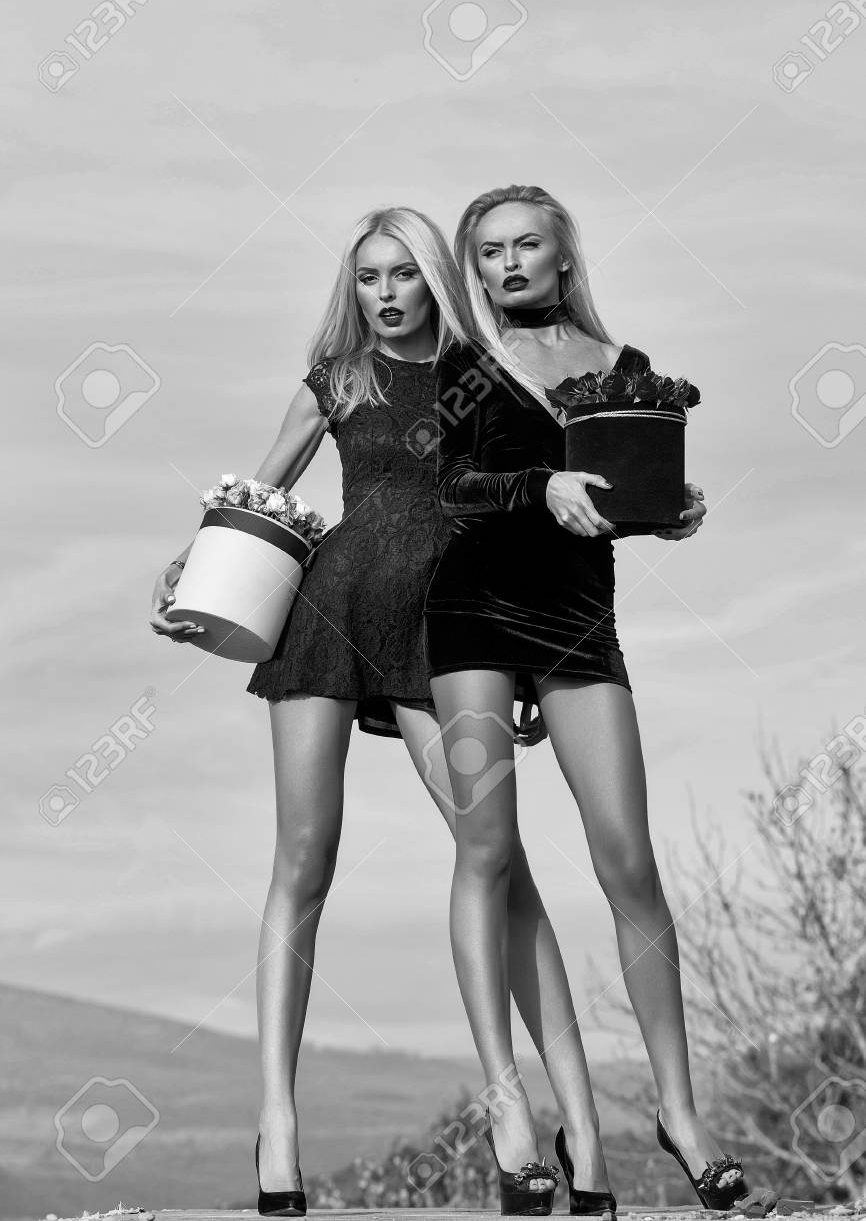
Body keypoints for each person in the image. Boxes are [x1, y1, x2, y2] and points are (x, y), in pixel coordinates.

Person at [149, 206, 586, 1217]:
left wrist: (526, 657)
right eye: (366, 277)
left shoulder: (485, 376)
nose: (384, 293)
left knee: (499, 861)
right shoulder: (336, 381)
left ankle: (554, 1114)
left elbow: (525, 515)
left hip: (448, 632)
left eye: (402, 274)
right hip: (329, 613)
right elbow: (258, 491)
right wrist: (195, 561)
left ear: (434, 279)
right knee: (302, 865)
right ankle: (279, 1124)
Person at [423, 183, 770, 1217]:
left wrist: (666, 512)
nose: (506, 265)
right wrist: (538, 488)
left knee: (630, 863)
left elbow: (625, 496)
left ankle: (679, 1112)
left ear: (562, 257)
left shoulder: (627, 375)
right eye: (486, 253)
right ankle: (512, 1113)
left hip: (575, 623)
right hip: (471, 624)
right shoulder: (462, 368)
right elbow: (449, 488)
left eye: (525, 245)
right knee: (487, 852)